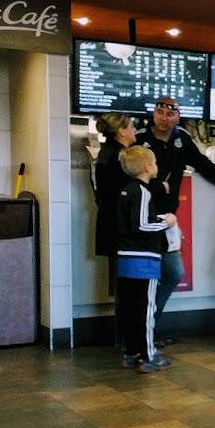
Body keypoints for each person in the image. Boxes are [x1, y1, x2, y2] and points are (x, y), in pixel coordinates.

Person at [137, 96, 215, 341]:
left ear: (178, 117)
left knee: (173, 273)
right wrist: (156, 186)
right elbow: (128, 171)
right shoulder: (140, 138)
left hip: (168, 219)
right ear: (153, 114)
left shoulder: (181, 139)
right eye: (160, 112)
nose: (164, 118)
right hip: (143, 216)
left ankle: (147, 329)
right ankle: (138, 336)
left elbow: (204, 166)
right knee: (141, 280)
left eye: (170, 114)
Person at [115, 146, 175, 373]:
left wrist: (156, 218)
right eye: (155, 163)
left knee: (129, 309)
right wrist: (166, 222)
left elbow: (133, 221)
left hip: (125, 260)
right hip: (144, 261)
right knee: (146, 309)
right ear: (148, 167)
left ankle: (131, 353)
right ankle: (149, 355)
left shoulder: (126, 191)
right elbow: (142, 225)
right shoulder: (143, 192)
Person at [93, 112, 138, 348]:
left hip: (110, 225)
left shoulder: (104, 154)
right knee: (128, 286)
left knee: (122, 284)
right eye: (131, 126)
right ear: (121, 131)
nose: (135, 130)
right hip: (123, 228)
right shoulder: (122, 158)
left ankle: (125, 338)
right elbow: (131, 193)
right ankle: (129, 339)